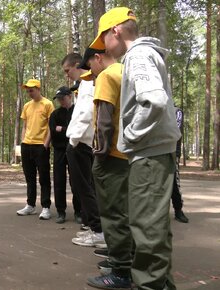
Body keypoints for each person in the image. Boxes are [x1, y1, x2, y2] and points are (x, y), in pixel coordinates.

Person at [89, 7, 181, 290]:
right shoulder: (142, 56)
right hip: (153, 150)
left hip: (148, 152)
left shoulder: (138, 56)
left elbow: (153, 100)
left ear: (115, 30)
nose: (103, 47)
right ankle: (161, 283)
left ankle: (151, 285)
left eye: (103, 38)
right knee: (151, 225)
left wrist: (129, 135)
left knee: (147, 228)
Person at [80, 46, 133, 288]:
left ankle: (121, 272)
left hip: (110, 154)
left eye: (90, 65)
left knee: (112, 214)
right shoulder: (126, 71)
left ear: (97, 58)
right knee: (124, 211)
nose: (91, 72)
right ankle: (125, 260)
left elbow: (103, 118)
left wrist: (99, 153)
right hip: (127, 153)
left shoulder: (106, 76)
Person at [61, 53, 104, 247]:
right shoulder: (85, 84)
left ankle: (97, 229)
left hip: (80, 144)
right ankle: (90, 225)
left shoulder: (88, 83)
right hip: (82, 143)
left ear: (77, 65)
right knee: (83, 188)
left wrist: (74, 140)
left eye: (68, 70)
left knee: (85, 188)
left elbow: (86, 113)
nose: (67, 75)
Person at [16, 79, 54, 219]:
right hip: (27, 145)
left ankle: (46, 207)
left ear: (38, 89)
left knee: (44, 178)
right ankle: (30, 205)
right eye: (27, 91)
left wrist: (46, 144)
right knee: (29, 177)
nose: (29, 93)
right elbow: (25, 126)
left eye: (31, 90)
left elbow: (51, 126)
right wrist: (22, 142)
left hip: (41, 146)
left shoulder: (48, 104)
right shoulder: (27, 106)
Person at [49, 86, 81, 224]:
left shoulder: (78, 112)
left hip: (75, 149)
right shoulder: (55, 114)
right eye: (59, 99)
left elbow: (79, 130)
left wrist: (63, 129)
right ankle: (60, 212)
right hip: (59, 151)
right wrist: (67, 131)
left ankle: (79, 211)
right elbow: (53, 131)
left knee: (76, 181)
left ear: (70, 96)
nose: (61, 101)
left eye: (63, 98)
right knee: (59, 181)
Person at [172, 106, 189, 223]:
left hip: (172, 152)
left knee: (174, 182)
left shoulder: (176, 111)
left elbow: (176, 131)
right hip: (155, 151)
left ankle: (178, 210)